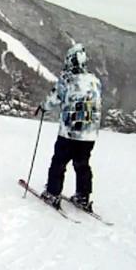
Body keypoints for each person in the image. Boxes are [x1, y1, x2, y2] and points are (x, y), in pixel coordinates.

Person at [37, 43, 102, 212]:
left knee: (59, 162)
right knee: (82, 164)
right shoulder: (95, 81)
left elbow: (54, 99)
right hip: (89, 133)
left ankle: (53, 193)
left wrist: (43, 107)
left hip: (69, 131)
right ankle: (83, 196)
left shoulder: (67, 79)